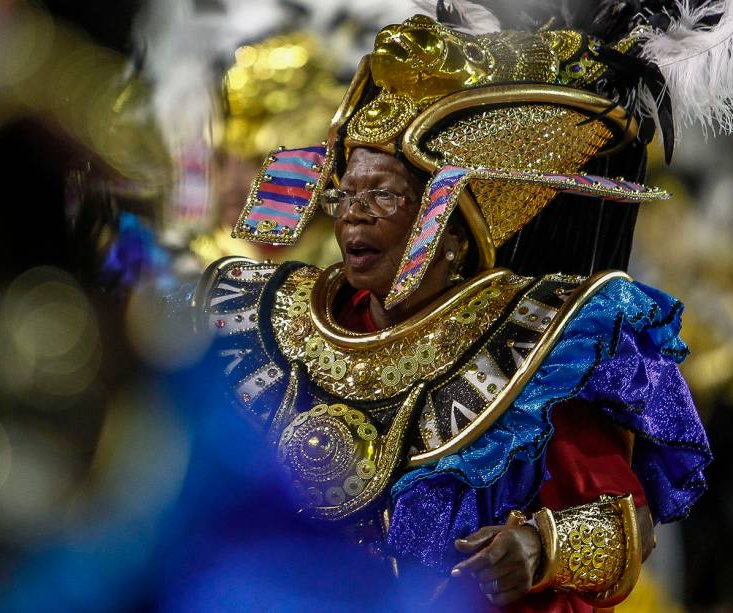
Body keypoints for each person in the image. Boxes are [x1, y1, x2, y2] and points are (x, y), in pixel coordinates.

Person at [192, 5, 718, 610]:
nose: (352, 215)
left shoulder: (543, 343)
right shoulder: (266, 320)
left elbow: (631, 527)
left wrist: (539, 548)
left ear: (452, 231)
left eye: (383, 195)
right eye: (345, 193)